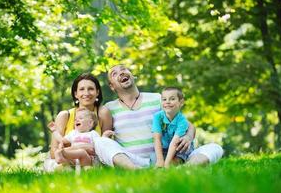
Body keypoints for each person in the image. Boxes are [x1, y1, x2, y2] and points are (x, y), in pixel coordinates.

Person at [93, 65, 223, 169]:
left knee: (214, 148)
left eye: (123, 69)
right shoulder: (109, 108)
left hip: (167, 157)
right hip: (135, 160)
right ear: (111, 86)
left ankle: (182, 169)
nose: (121, 73)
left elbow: (188, 125)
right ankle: (135, 171)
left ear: (132, 75)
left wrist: (188, 137)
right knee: (100, 142)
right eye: (114, 74)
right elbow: (107, 139)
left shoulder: (157, 98)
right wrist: (106, 139)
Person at [44, 73, 113, 171]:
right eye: (82, 89)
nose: (86, 93)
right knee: (63, 167)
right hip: (67, 161)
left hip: (91, 162)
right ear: (76, 94)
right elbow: (53, 153)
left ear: (97, 92)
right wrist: (81, 147)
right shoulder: (64, 115)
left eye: (91, 89)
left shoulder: (102, 113)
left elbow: (107, 148)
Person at [152, 87, 194, 168]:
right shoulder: (157, 117)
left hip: (179, 147)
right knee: (156, 159)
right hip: (165, 147)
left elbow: (174, 143)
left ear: (181, 102)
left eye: (172, 99)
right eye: (164, 99)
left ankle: (181, 162)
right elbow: (157, 138)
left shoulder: (182, 121)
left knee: (174, 162)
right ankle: (164, 161)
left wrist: (166, 165)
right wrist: (160, 160)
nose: (167, 102)